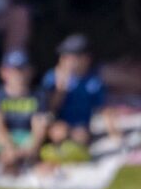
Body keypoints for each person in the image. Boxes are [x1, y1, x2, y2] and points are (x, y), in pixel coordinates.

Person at [40, 34, 115, 163]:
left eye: (71, 57)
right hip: (57, 123)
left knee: (81, 136)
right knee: (58, 132)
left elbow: (104, 109)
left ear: (86, 59)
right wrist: (61, 88)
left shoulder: (93, 81)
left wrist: (115, 135)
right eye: (64, 57)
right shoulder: (52, 77)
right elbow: (50, 108)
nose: (66, 61)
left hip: (80, 125)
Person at [0, 51, 49, 173]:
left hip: (28, 138)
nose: (18, 75)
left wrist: (31, 147)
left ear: (30, 71)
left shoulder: (39, 95)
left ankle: (26, 161)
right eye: (13, 71)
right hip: (6, 139)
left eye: (22, 70)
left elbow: (39, 125)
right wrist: (9, 147)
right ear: (4, 72)